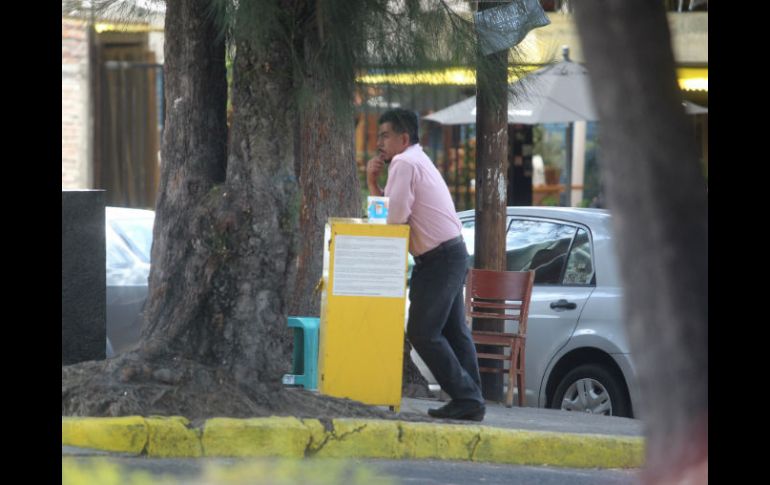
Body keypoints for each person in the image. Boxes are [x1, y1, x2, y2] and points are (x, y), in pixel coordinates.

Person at [367, 108, 485, 421]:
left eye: (385, 135)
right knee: (454, 331)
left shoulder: (404, 162)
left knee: (422, 332)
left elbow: (393, 220)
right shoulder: (415, 158)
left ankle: (468, 397)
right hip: (449, 253)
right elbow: (397, 215)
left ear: (403, 138)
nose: (379, 142)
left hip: (440, 259)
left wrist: (371, 182)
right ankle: (471, 397)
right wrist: (375, 183)